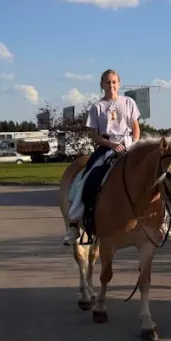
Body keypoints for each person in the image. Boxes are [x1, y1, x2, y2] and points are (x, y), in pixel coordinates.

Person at [64, 69, 141, 245]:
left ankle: (159, 221)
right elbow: (94, 135)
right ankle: (75, 223)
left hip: (128, 144)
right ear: (101, 85)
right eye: (107, 82)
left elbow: (136, 128)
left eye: (114, 82)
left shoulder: (129, 102)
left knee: (150, 173)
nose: (111, 85)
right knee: (86, 179)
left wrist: (134, 143)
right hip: (106, 147)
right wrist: (111, 145)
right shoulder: (97, 107)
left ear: (119, 84)